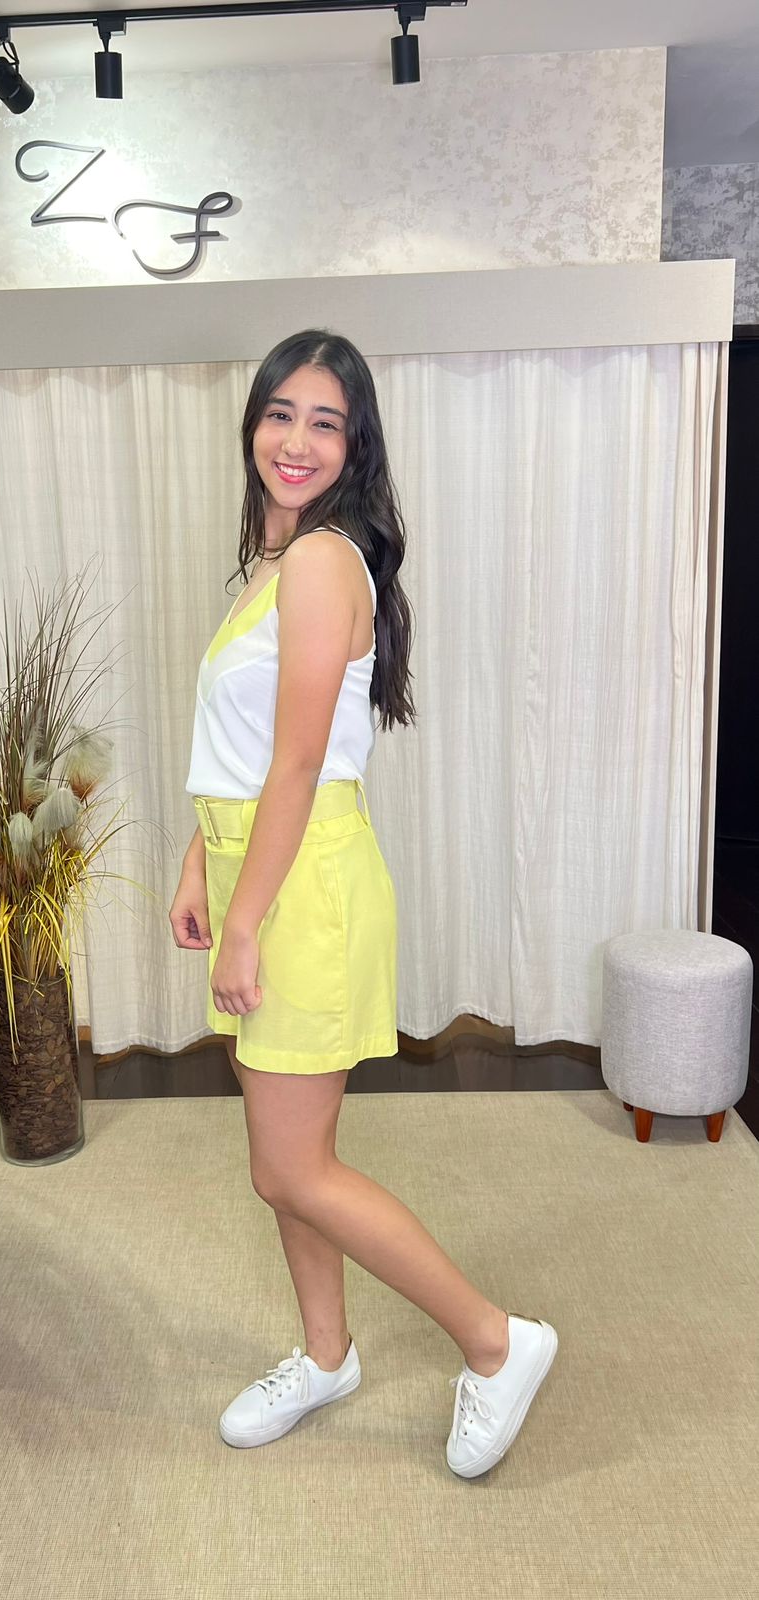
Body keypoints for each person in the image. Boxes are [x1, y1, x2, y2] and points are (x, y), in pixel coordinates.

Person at [169, 328, 557, 1478]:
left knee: (292, 1169)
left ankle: (497, 1343)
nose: (296, 440)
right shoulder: (274, 563)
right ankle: (327, 1355)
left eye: (325, 422)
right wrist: (200, 861)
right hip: (259, 866)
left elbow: (298, 764)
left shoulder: (324, 562)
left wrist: (246, 918)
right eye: (280, 413)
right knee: (285, 1156)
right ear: (253, 423)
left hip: (302, 886)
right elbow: (245, 751)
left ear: (355, 445)